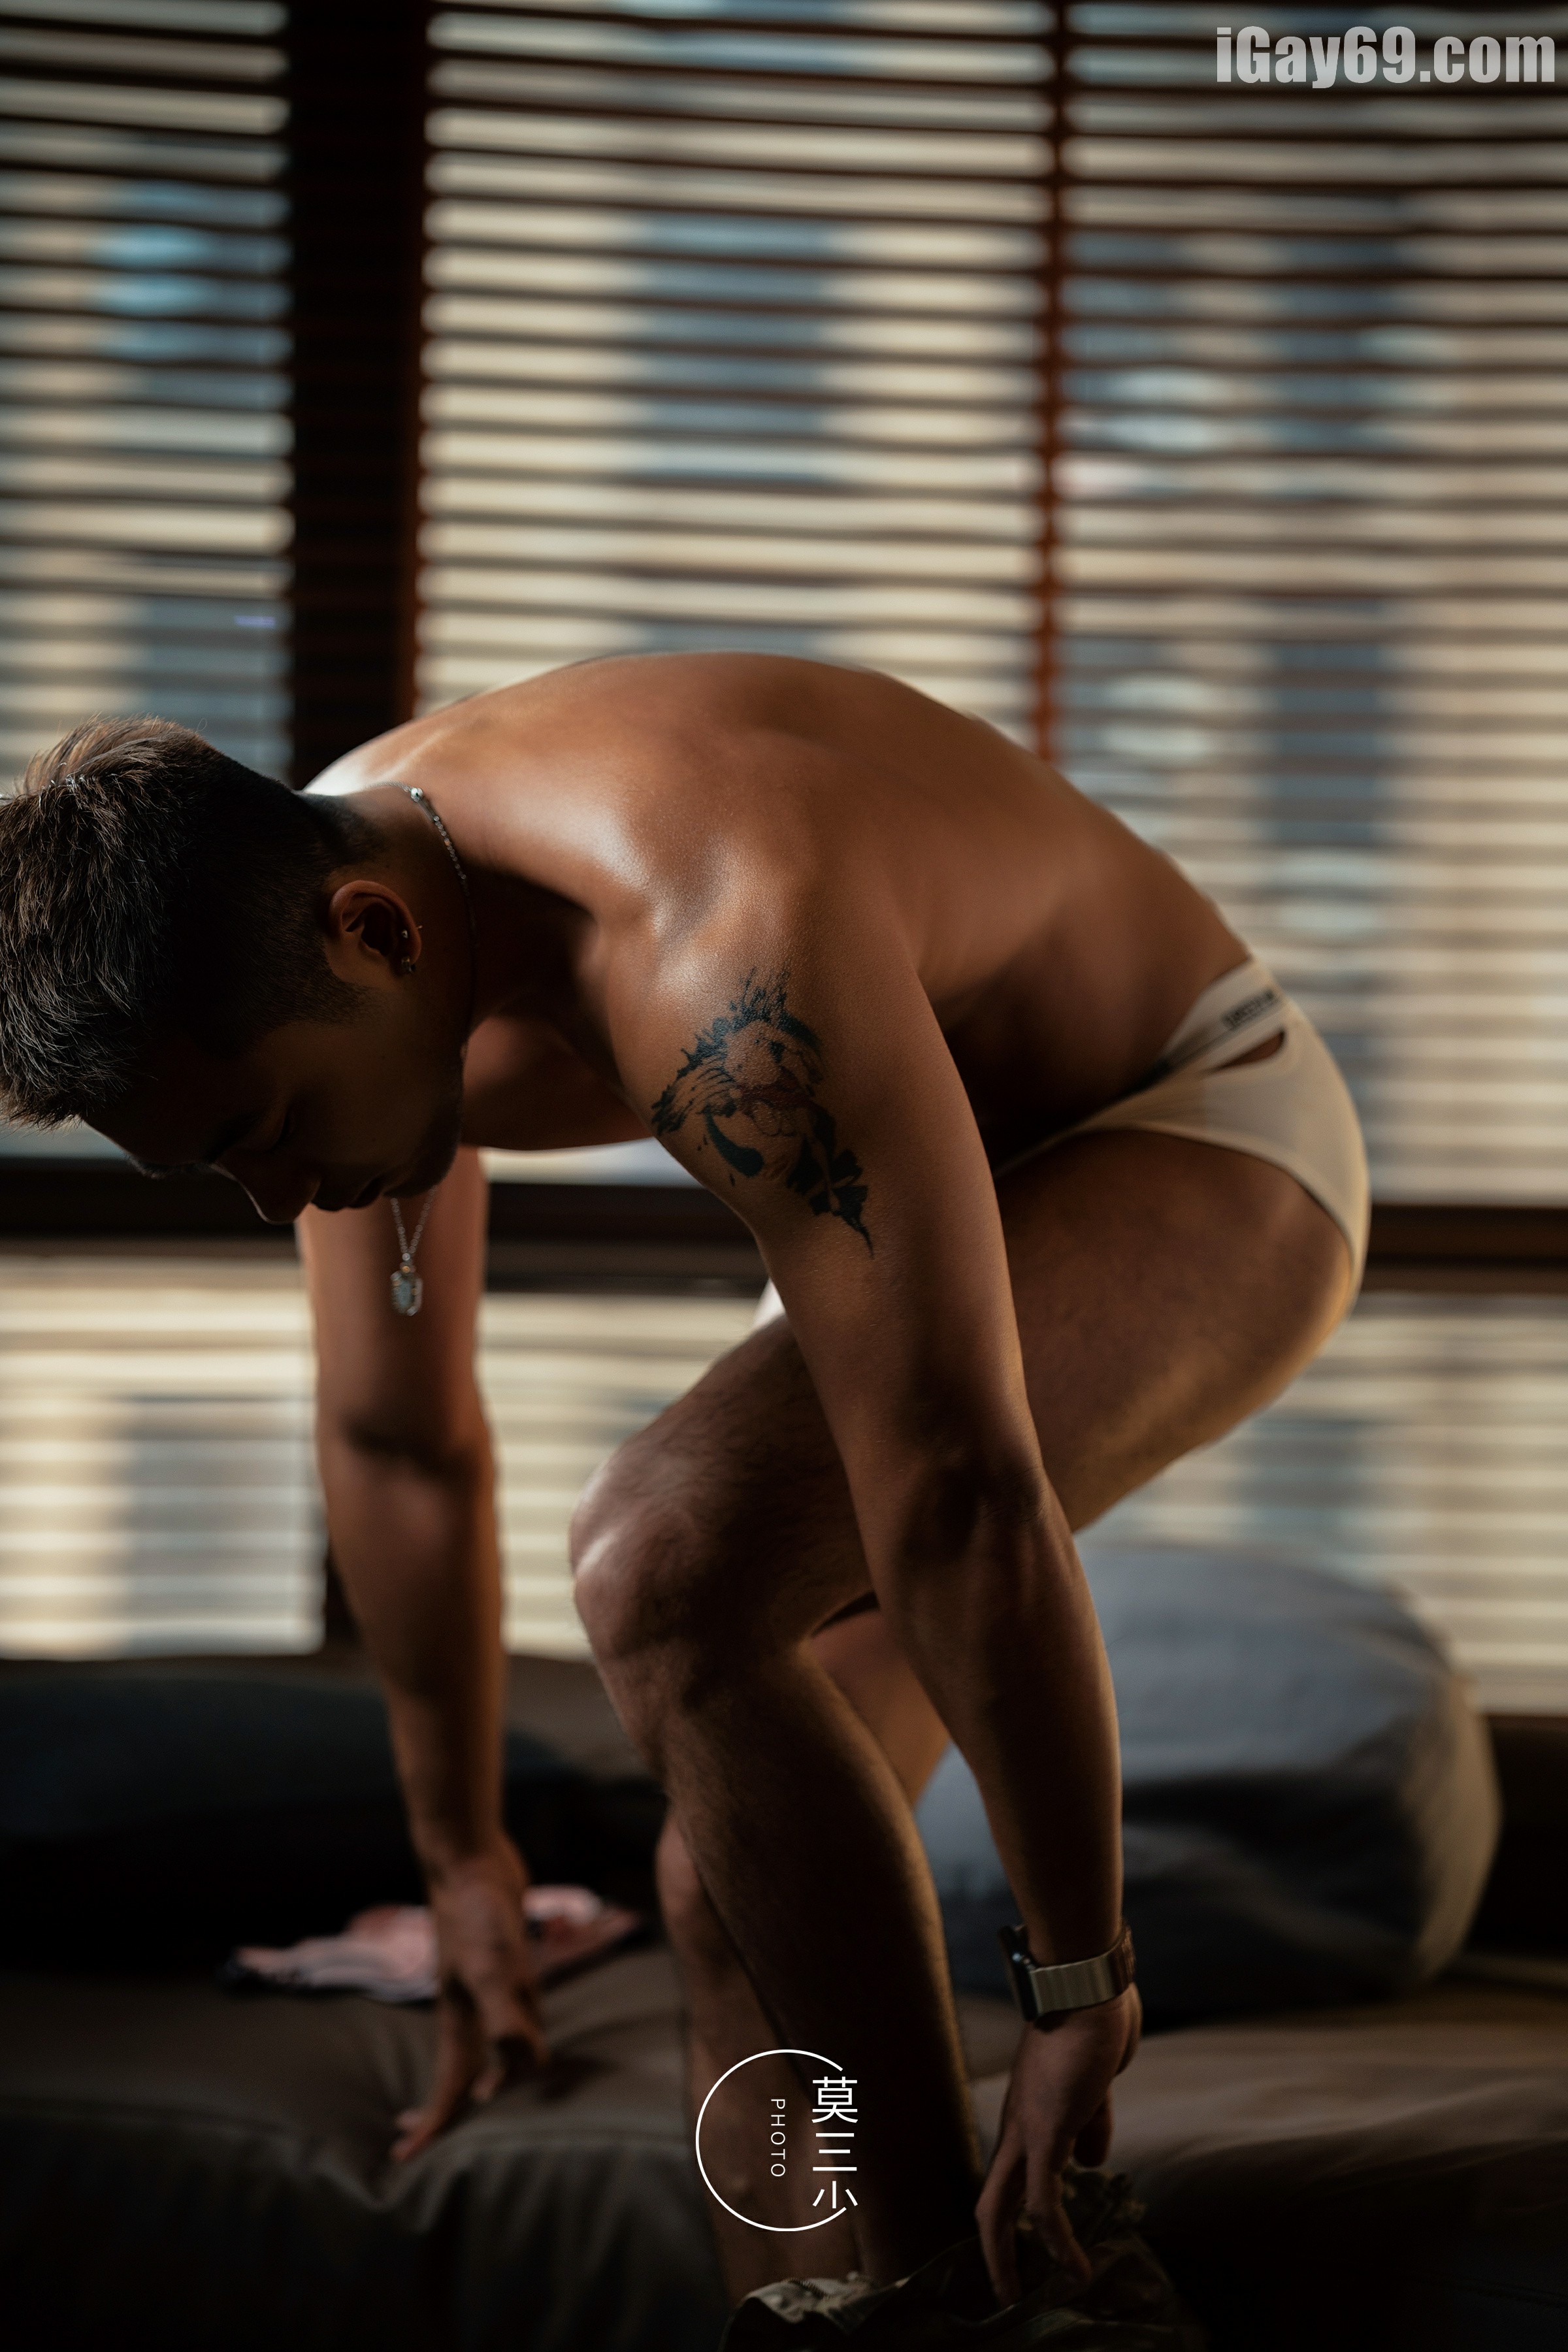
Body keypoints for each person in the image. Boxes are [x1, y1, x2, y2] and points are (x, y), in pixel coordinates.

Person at [0, 655, 1367, 2308]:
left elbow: (960, 1491)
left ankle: (941, 2301)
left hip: (1185, 1123)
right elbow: (397, 1445)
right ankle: (825, 2314)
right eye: (225, 1163)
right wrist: (464, 1864)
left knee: (658, 1555)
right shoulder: (332, 914)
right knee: (725, 1880)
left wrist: (1080, 1982)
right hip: (897, 1188)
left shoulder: (717, 937)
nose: (284, 1200)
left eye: (269, 1130)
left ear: (376, 936)